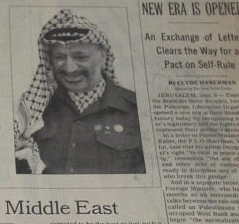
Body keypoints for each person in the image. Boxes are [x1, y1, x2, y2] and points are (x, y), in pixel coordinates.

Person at [15, 9, 144, 174]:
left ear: (103, 56)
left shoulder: (137, 109)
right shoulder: (35, 113)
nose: (69, 68)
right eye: (59, 57)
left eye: (81, 57)